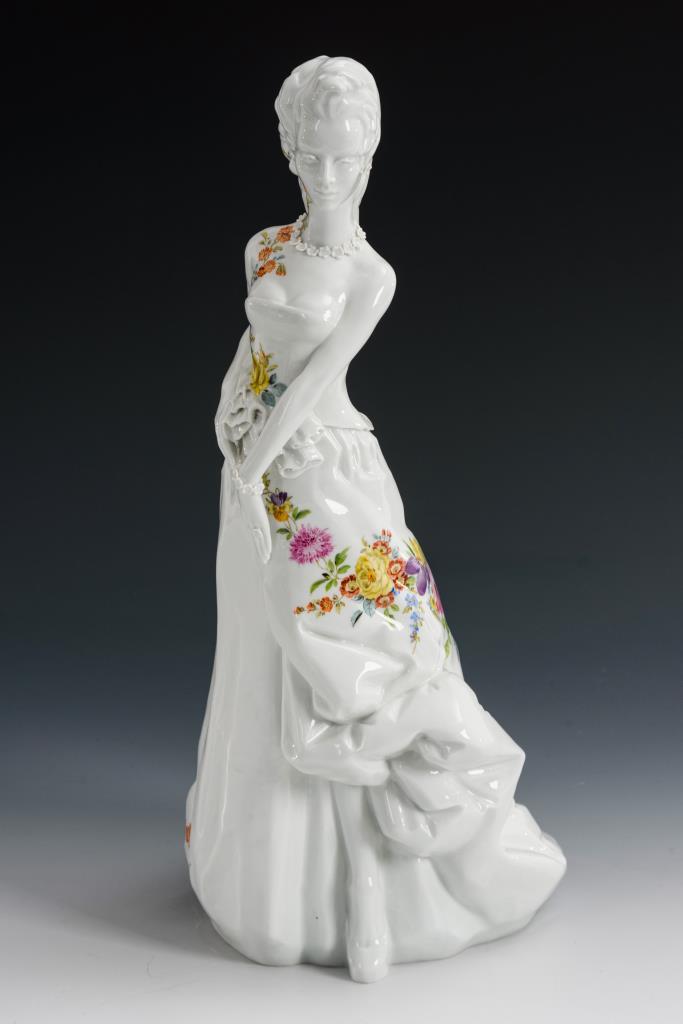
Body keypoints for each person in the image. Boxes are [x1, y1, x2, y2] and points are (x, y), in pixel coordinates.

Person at [184, 55, 566, 984]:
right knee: (264, 654)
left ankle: (373, 898)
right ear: (289, 151)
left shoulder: (370, 275)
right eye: (312, 156)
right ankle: (275, 888)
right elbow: (254, 355)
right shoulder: (265, 246)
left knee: (351, 656)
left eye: (346, 158)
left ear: (371, 154)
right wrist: (226, 419)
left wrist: (257, 463)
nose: (329, 175)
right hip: (256, 471)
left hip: (326, 470)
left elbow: (313, 382)